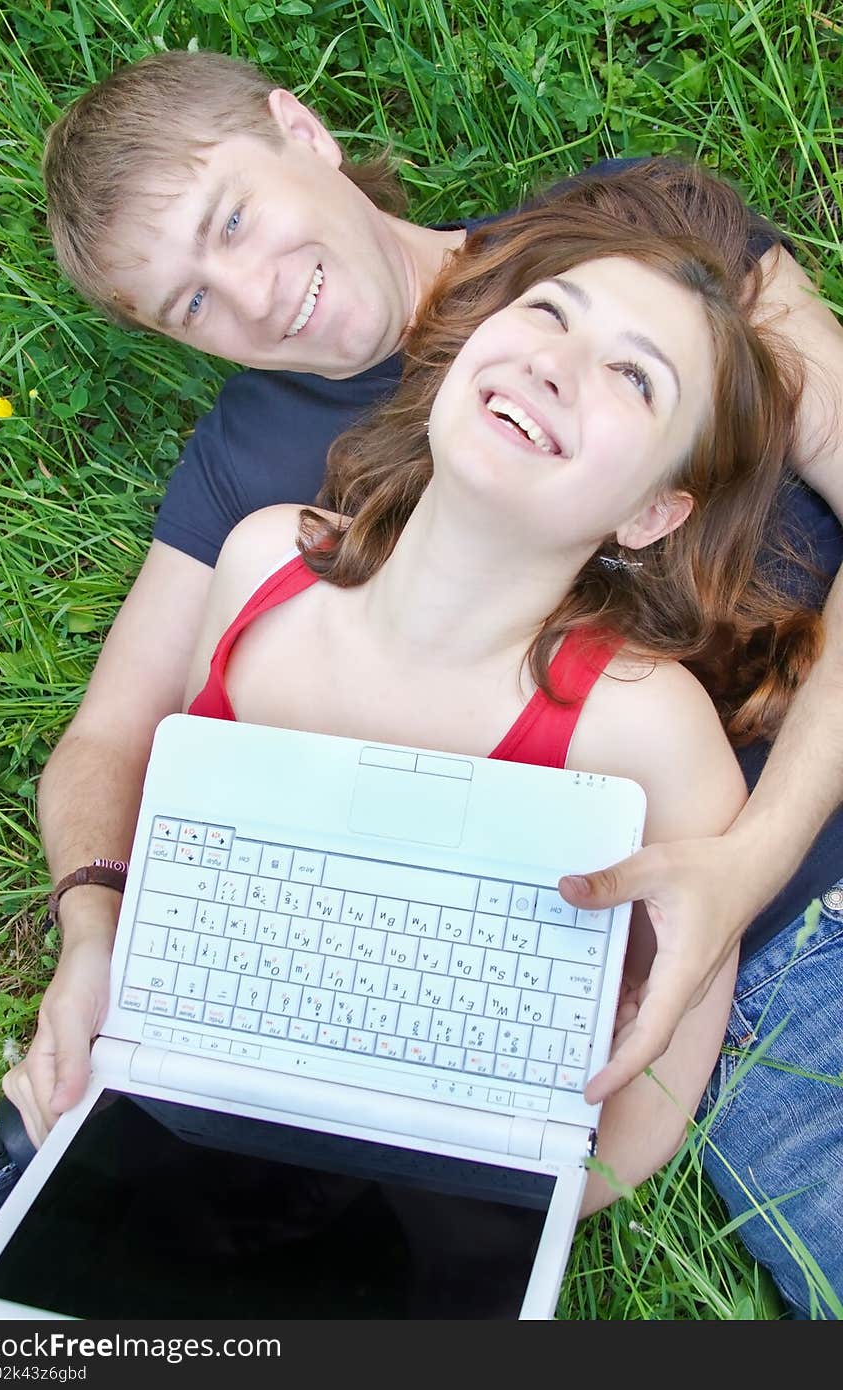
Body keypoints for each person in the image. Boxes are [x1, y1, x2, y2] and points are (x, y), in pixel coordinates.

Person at [0, 51, 840, 1313]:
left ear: (300, 129)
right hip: (518, 974)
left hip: (769, 901)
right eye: (190, 307)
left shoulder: (627, 249)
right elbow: (110, 738)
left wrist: (752, 857)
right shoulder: (253, 487)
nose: (256, 301)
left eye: (232, 221)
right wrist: (98, 935)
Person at [179, 183, 812, 1217]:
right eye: (549, 313)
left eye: (632, 379)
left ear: (650, 514)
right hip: (186, 1090)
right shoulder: (260, 566)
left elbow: (654, 1080)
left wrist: (513, 1208)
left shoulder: (644, 729)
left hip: (427, 1188)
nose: (553, 364)